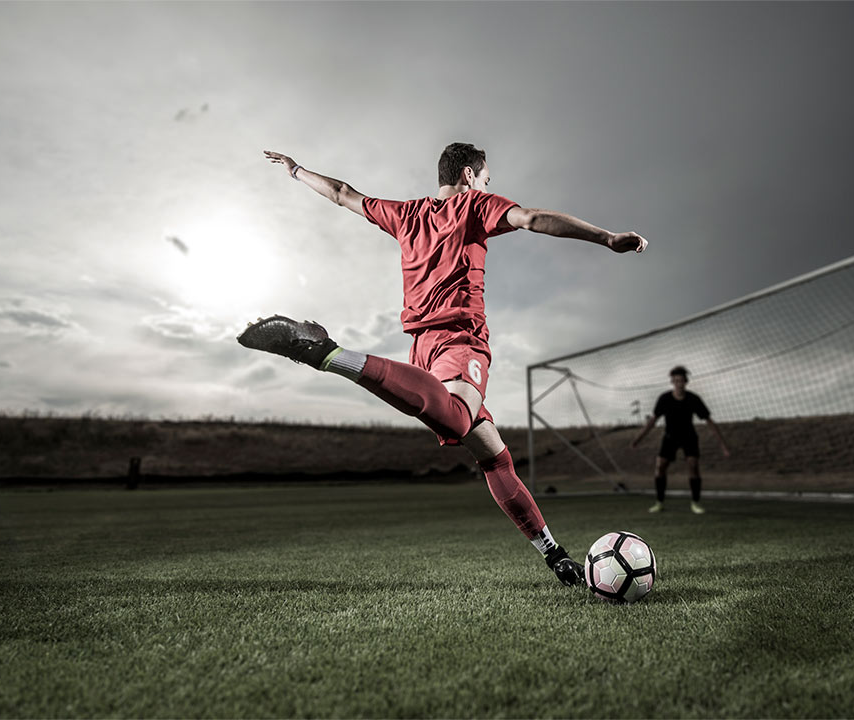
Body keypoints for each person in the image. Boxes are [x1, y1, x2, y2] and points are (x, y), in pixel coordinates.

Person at [239, 143, 648, 586]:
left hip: (422, 352)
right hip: (460, 339)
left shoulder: (407, 214)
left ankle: (555, 556)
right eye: (486, 179)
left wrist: (296, 170)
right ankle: (328, 353)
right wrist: (607, 238)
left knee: (495, 457)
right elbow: (531, 218)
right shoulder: (474, 205)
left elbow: (342, 194)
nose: (488, 186)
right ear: (470, 176)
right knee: (457, 420)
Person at [629, 366, 730, 514]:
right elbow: (653, 420)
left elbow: (709, 421)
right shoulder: (664, 399)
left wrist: (723, 445)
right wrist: (638, 439)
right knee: (660, 467)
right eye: (675, 381)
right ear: (672, 382)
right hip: (670, 437)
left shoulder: (693, 399)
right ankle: (659, 502)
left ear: (685, 382)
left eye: (681, 380)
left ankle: (695, 503)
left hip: (689, 437)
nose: (678, 384)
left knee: (693, 466)